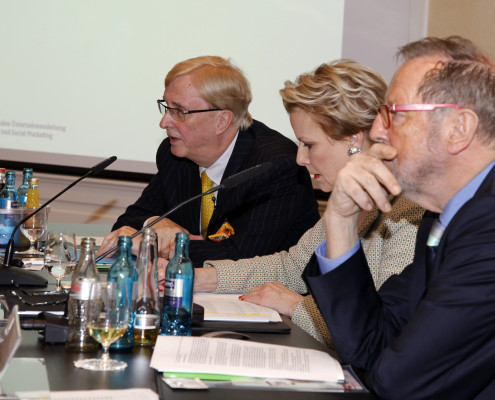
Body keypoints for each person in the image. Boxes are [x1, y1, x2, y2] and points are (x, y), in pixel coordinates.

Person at [303, 37, 495, 399]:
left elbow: (398, 382)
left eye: (395, 113)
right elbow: (371, 341)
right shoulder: (442, 216)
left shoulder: (488, 228)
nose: (376, 130)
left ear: (459, 129)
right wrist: (342, 221)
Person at [194, 59, 424, 347]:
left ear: (354, 140)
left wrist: (296, 306)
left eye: (309, 145)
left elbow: (378, 328)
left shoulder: (408, 213)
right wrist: (202, 278)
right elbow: (292, 267)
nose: (300, 159)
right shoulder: (349, 197)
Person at [97, 56, 319, 267]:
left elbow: (242, 259)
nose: (164, 122)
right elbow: (127, 222)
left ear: (222, 121)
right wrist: (155, 223)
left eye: (179, 111)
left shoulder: (274, 166)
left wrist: (159, 245)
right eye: (166, 107)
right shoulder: (175, 155)